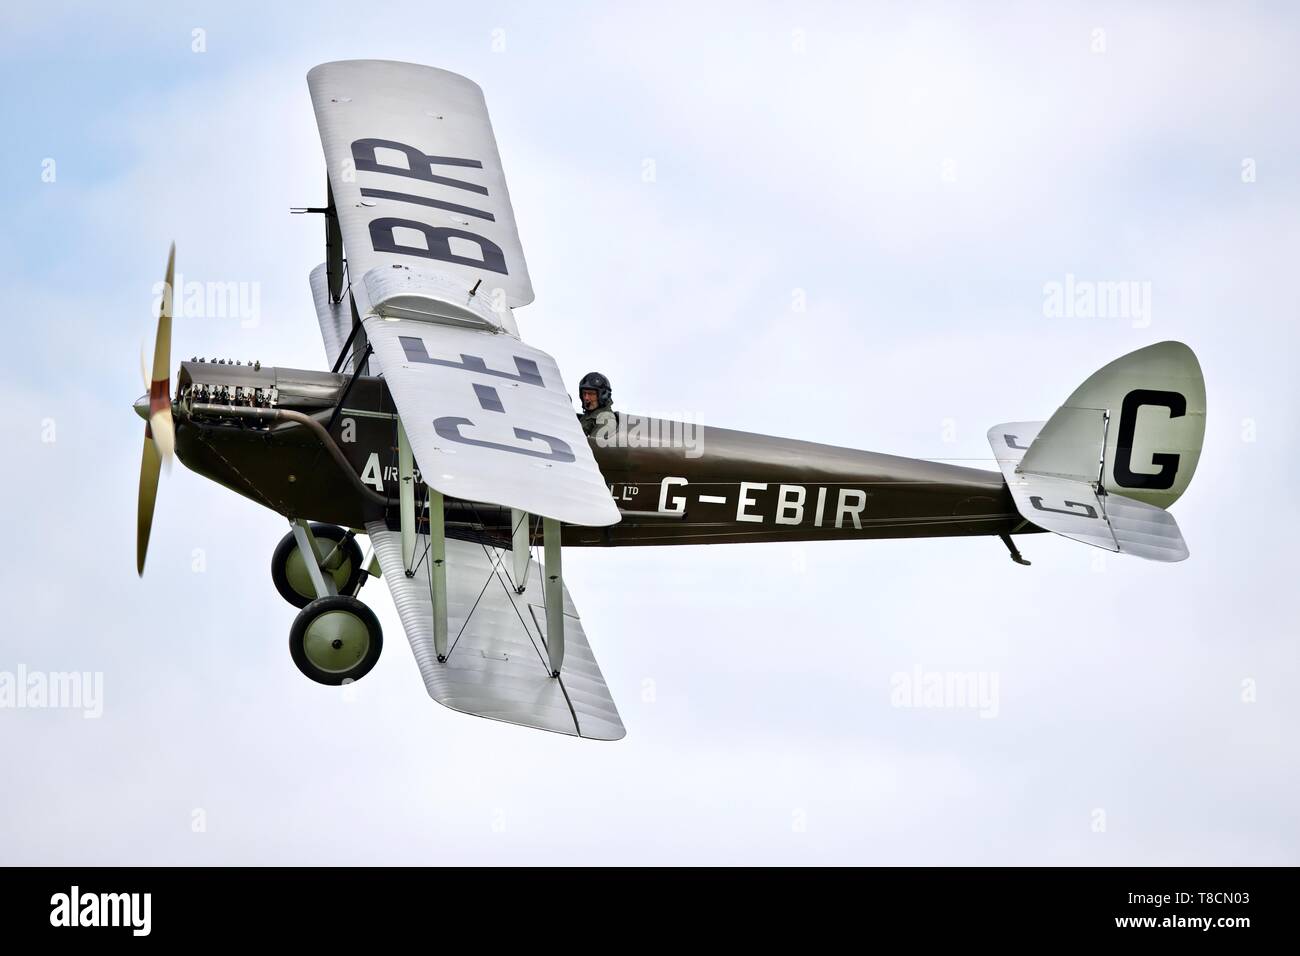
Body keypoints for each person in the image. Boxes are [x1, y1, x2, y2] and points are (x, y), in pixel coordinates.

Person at [576, 371, 616, 438]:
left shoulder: (606, 419)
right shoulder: (590, 415)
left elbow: (593, 446)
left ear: (604, 396)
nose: (586, 398)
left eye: (591, 394)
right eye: (584, 393)